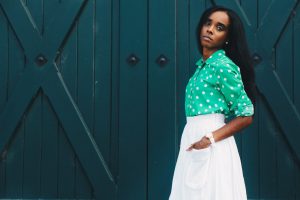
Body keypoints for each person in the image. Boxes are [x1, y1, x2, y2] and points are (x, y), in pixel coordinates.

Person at [169, 6, 256, 200]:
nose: (210, 29)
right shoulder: (201, 67)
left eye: (219, 27)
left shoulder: (223, 66)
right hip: (193, 138)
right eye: (208, 23)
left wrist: (209, 138)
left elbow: (246, 115)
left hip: (212, 143)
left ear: (227, 37)